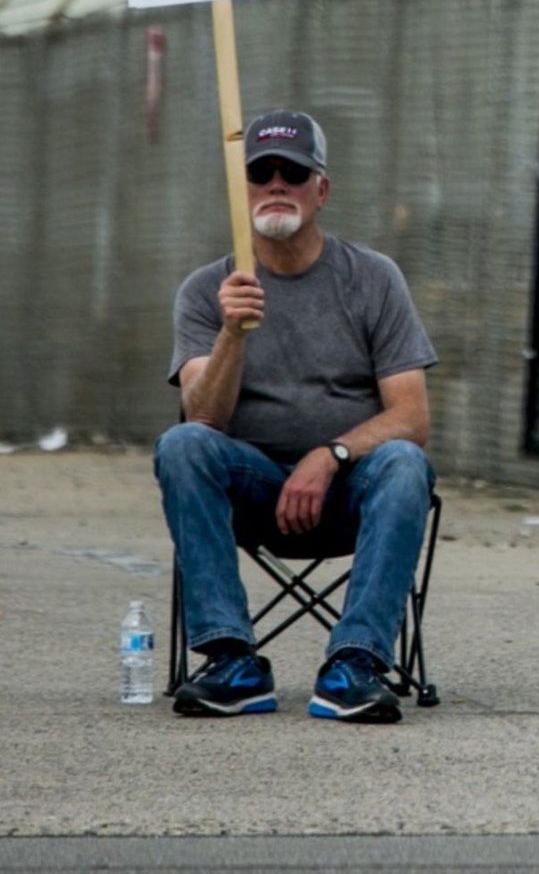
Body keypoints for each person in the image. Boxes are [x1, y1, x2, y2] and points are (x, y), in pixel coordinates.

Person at [157, 109, 438, 723]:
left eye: (294, 171)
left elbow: (412, 418)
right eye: (261, 173)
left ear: (322, 189)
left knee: (404, 462)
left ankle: (355, 662)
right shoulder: (208, 289)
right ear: (243, 191)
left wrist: (329, 456)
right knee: (181, 446)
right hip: (250, 493)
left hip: (349, 495)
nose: (277, 184)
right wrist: (233, 330)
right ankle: (232, 660)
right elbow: (201, 417)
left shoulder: (373, 278)